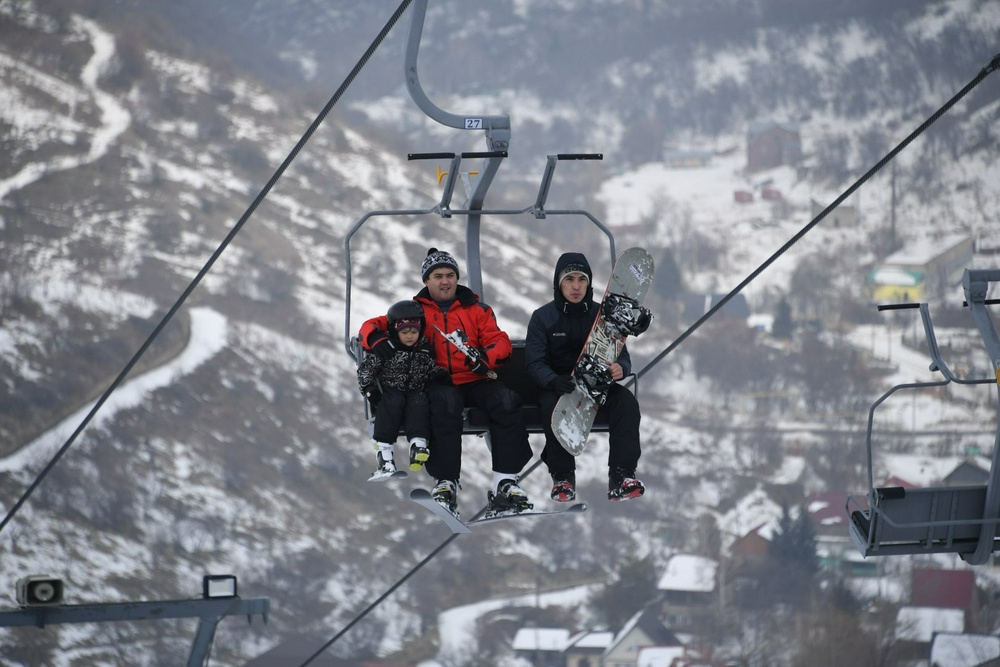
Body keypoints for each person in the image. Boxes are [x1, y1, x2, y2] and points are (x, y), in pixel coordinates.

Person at [360, 248, 534, 517]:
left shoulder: (476, 310)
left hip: (475, 377)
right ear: (426, 281)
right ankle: (446, 480)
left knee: (506, 401)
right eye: (438, 275)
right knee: (444, 403)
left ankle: (505, 480)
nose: (445, 281)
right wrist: (377, 340)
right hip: (438, 379)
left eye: (450, 275)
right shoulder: (414, 312)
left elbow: (499, 340)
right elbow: (371, 325)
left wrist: (486, 358)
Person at [525, 251, 646, 502]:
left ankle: (622, 474)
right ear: (559, 283)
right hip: (560, 386)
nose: (576, 286)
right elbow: (534, 363)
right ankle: (563, 477)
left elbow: (621, 352)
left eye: (582, 279)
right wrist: (552, 380)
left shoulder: (603, 315)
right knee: (550, 405)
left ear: (589, 283)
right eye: (569, 279)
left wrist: (620, 368)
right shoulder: (543, 318)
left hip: (598, 385)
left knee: (626, 402)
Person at [357, 300, 450, 479]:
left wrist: (439, 374)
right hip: (391, 390)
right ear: (395, 331)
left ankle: (418, 443)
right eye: (404, 332)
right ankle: (385, 453)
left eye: (414, 332)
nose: (410, 337)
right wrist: (369, 389)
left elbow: (429, 369)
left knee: (420, 402)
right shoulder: (387, 350)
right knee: (393, 401)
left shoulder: (424, 351)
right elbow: (366, 370)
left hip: (415, 390)